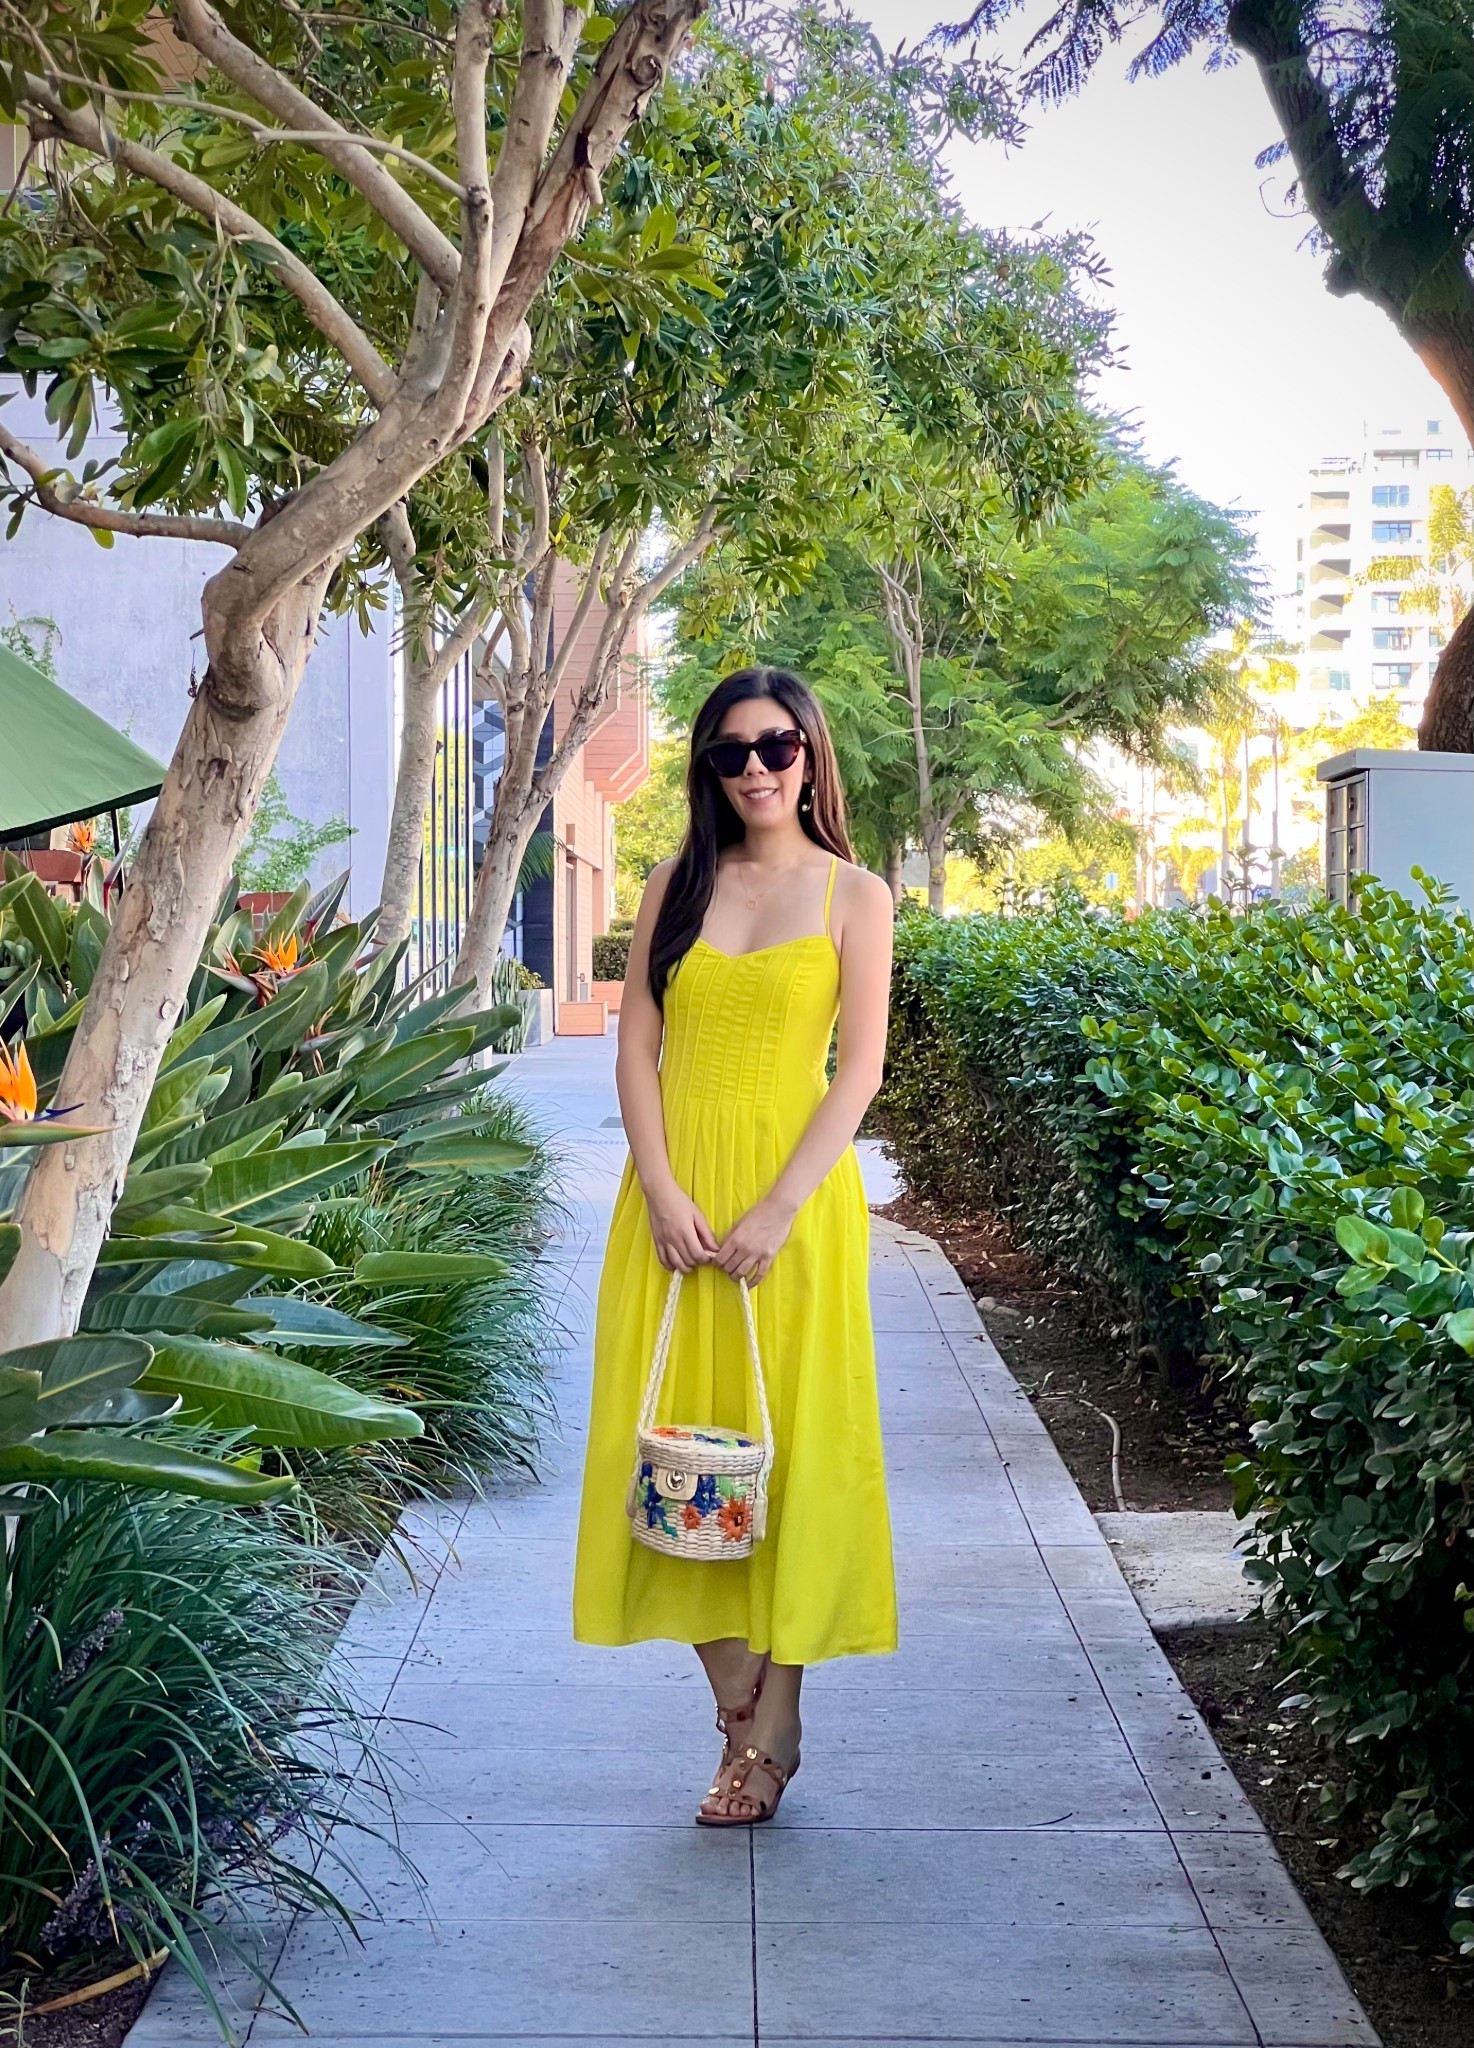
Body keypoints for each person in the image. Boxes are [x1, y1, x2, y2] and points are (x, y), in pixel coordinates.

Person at [572, 665, 898, 1825]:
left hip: (793, 1208)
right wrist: (660, 1188)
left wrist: (776, 1208)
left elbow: (855, 1070)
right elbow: (634, 1051)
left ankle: (772, 1728)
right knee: (659, 1449)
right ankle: (739, 1701)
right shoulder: (674, 881)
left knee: (786, 1447)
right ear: (707, 769)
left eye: (775, 746)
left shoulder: (857, 895)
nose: (754, 767)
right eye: (729, 752)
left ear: (810, 754)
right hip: (670, 1206)